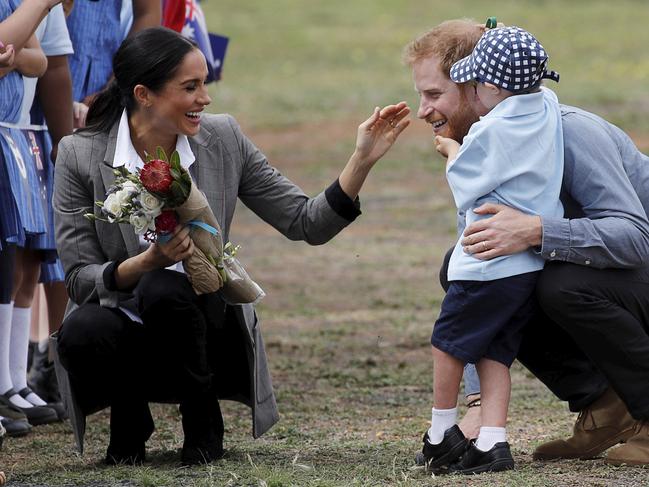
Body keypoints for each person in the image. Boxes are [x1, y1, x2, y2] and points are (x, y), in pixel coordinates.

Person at [52, 26, 410, 466]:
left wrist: (362, 160)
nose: (206, 97)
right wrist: (146, 262)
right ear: (144, 94)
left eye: (205, 83)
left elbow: (306, 222)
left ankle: (203, 421)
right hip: (121, 322)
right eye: (191, 87)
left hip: (207, 322)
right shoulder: (79, 154)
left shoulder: (223, 138)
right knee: (83, 330)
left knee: (164, 291)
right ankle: (130, 420)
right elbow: (77, 278)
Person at [404, 19, 649, 467]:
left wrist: (537, 230)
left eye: (435, 94)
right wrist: (477, 403)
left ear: (480, 85)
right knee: (477, 266)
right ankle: (606, 406)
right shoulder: (500, 138)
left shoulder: (569, 131)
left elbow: (635, 238)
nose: (423, 111)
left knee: (561, 284)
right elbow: (480, 284)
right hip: (622, 279)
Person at [418, 25, 564, 474]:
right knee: (494, 351)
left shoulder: (492, 131)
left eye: (477, 82)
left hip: (487, 263)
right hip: (527, 266)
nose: (474, 90)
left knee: (447, 345)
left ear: (494, 87)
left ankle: (441, 430)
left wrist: (451, 150)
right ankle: (493, 441)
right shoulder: (548, 106)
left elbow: (467, 186)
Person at [0, 0, 65, 431]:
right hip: (5, 133)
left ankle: (13, 379)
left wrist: (17, 54)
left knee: (23, 264)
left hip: (20, 137)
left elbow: (40, 61)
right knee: (4, 266)